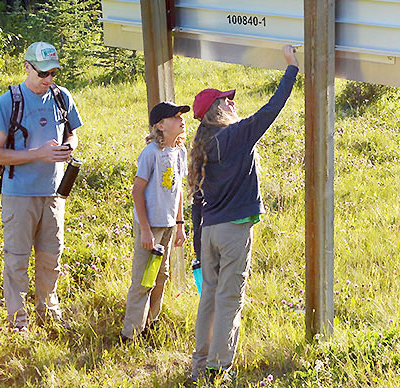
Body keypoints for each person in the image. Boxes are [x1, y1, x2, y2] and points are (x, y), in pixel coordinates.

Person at [189, 44, 299, 383]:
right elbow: (271, 109)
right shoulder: (235, 136)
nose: (233, 102)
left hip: (209, 233)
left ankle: (200, 362)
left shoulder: (203, 145)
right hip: (234, 232)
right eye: (227, 100)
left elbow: (196, 202)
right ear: (217, 109)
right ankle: (219, 368)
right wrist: (291, 67)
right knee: (229, 300)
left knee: (209, 296)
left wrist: (197, 249)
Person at [0, 42, 82, 332]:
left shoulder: (62, 97)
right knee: (16, 261)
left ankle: (48, 312)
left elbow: (73, 134)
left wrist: (68, 147)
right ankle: (18, 323)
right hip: (18, 194)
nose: (48, 79)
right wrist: (38, 154)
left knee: (51, 257)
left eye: (52, 72)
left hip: (54, 193)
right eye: (42, 72)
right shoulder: (8, 102)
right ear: (26, 66)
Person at [120, 101, 190, 341]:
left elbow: (178, 190)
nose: (181, 119)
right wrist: (146, 231)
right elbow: (137, 191)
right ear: (160, 126)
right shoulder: (151, 153)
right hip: (151, 226)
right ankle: (130, 334)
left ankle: (151, 325)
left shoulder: (180, 150)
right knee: (143, 280)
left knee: (162, 276)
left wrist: (180, 225)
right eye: (175, 116)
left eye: (181, 115)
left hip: (170, 225)